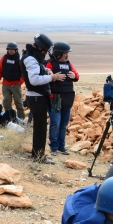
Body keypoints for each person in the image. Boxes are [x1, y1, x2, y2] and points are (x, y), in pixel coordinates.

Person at [19, 34, 66, 164]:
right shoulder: (31, 59)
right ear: (41, 48)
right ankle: (39, 156)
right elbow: (34, 80)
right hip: (36, 98)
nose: (46, 53)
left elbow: (39, 68)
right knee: (40, 128)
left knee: (40, 128)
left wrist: (47, 71)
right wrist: (53, 77)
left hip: (37, 97)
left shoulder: (32, 56)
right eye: (45, 50)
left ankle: (38, 154)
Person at [45, 41, 79, 156]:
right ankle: (53, 146)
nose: (67, 55)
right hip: (56, 98)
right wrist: (53, 76)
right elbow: (45, 74)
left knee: (64, 124)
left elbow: (77, 74)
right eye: (65, 53)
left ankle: (61, 146)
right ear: (59, 53)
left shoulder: (69, 64)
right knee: (55, 123)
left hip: (68, 98)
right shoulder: (50, 64)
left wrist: (74, 76)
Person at [0, 42, 26, 121]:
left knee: (18, 103)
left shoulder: (19, 59)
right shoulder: (4, 58)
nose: (11, 51)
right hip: (5, 84)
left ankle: (21, 120)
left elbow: (24, 72)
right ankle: (9, 119)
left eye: (12, 49)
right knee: (6, 103)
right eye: (9, 49)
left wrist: (20, 82)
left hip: (15, 84)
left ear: (16, 50)